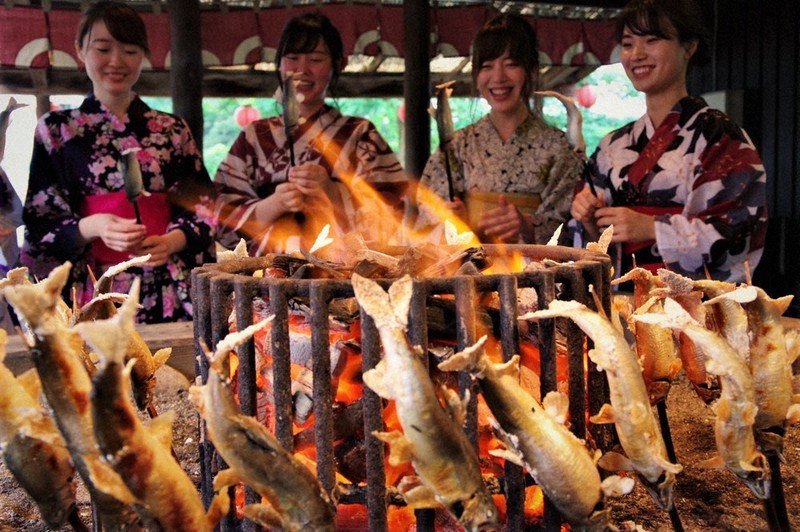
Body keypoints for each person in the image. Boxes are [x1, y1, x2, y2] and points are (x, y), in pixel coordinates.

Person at [20, 0, 216, 323]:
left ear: (144, 56)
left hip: (165, 283)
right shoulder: (56, 130)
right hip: (93, 286)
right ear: (80, 51)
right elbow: (41, 220)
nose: (116, 61)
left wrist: (171, 240)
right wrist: (94, 225)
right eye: (103, 48)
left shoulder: (172, 130)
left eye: (129, 50)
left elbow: (203, 206)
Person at [570, 0, 767, 282]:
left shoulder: (720, 137)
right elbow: (592, 246)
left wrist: (653, 228)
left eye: (652, 40)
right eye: (628, 44)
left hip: (691, 308)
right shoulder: (610, 147)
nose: (636, 54)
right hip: (621, 303)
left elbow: (738, 232)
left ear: (689, 47)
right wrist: (590, 222)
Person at [213, 13, 408, 256]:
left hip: (338, 275)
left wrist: (332, 193)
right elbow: (219, 216)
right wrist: (272, 205)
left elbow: (395, 213)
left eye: (315, 59)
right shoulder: (254, 137)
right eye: (292, 58)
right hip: (265, 277)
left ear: (337, 64)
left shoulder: (360, 134)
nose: (301, 70)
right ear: (280, 64)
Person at [415, 13, 584, 245]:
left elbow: (577, 228)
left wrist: (527, 226)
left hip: (536, 275)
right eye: (487, 66)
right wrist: (452, 221)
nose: (498, 77)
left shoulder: (560, 148)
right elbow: (426, 214)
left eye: (511, 64)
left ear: (531, 71)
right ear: (476, 77)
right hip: (469, 274)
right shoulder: (457, 145)